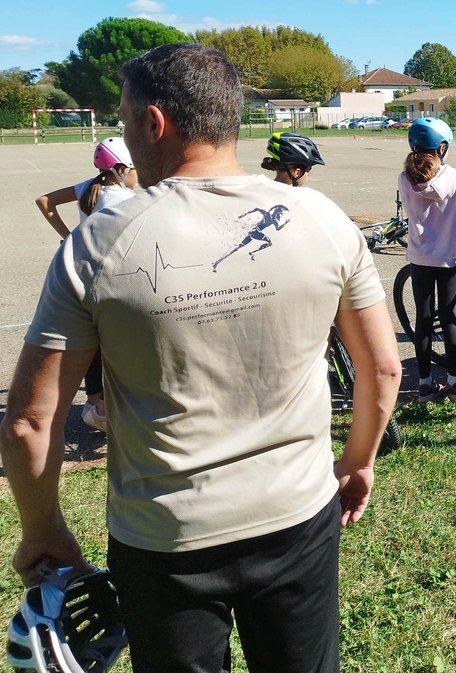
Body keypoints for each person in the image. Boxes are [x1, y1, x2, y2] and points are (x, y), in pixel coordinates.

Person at [0, 43, 401, 673]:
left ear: (154, 123)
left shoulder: (95, 245)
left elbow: (29, 422)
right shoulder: (324, 218)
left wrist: (43, 530)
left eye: (128, 121)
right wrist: (357, 461)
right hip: (297, 513)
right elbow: (382, 368)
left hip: (164, 539)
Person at [32, 136, 139, 433]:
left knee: (92, 338)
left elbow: (44, 201)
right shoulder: (124, 201)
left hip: (84, 273)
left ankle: (95, 404)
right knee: (119, 341)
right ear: (119, 169)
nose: (138, 174)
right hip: (113, 276)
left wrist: (69, 236)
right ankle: (114, 405)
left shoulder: (90, 186)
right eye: (134, 168)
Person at [400, 117, 456, 403]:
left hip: (420, 257)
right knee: (449, 318)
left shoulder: (405, 178)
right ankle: (454, 382)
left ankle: (424, 385)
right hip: (450, 260)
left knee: (423, 320)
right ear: (443, 148)